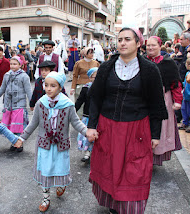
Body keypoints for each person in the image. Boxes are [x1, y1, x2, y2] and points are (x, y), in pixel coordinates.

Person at [86, 28, 168, 214]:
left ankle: (130, 208)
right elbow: (96, 98)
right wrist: (91, 126)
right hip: (108, 127)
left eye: (127, 39)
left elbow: (156, 104)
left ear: (138, 44)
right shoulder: (107, 67)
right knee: (109, 165)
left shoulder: (149, 69)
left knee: (134, 169)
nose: (122, 43)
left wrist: (155, 134)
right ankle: (113, 205)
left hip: (137, 128)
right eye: (120, 39)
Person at [16, 71, 89, 212]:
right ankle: (45, 198)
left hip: (61, 145)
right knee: (45, 171)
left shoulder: (68, 105)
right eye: (46, 85)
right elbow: (33, 124)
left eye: (53, 86)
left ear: (60, 87)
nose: (48, 89)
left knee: (61, 169)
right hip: (44, 145)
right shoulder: (40, 103)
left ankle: (61, 185)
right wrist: (21, 138)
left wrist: (87, 132)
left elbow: (76, 123)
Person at [146, 36, 183, 166]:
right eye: (148, 45)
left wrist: (177, 101)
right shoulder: (142, 61)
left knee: (160, 128)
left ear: (159, 46)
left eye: (153, 45)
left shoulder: (168, 62)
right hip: (145, 99)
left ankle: (155, 158)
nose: (150, 48)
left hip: (163, 98)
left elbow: (176, 83)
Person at [0, 56, 32, 152]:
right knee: (11, 125)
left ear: (20, 65)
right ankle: (13, 142)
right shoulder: (7, 75)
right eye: (11, 64)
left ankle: (20, 143)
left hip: (19, 103)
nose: (12, 66)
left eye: (15, 64)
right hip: (8, 104)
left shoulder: (24, 76)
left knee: (18, 125)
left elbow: (28, 90)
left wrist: (32, 103)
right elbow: (2, 88)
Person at [75, 67, 98, 162]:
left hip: (99, 117)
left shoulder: (104, 87)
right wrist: (73, 110)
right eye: (94, 76)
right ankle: (87, 153)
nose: (96, 78)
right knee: (87, 136)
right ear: (90, 77)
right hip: (87, 116)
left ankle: (97, 153)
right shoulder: (86, 88)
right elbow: (80, 100)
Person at [70, 47, 99, 118]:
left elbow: (99, 75)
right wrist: (73, 87)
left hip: (93, 86)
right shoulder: (78, 63)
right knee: (80, 103)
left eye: (93, 52)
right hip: (81, 85)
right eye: (90, 52)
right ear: (85, 54)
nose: (92, 54)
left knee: (90, 104)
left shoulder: (96, 63)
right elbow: (75, 76)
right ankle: (79, 120)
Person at [180, 58, 190, 132]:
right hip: (185, 96)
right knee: (184, 109)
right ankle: (185, 122)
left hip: (188, 95)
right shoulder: (187, 73)